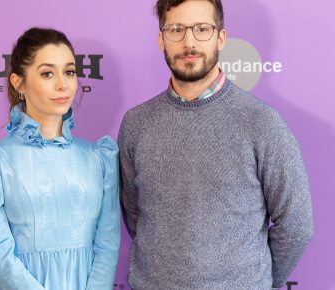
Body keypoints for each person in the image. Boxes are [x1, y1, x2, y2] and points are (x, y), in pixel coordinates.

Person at [118, 1, 313, 289]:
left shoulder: (262, 123)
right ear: (161, 39)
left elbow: (296, 225)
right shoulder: (136, 123)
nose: (189, 42)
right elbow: (135, 216)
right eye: (176, 29)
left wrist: (254, 282)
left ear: (221, 38)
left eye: (202, 29)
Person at [0, 27, 120, 290]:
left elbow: (108, 244)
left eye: (69, 71)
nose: (62, 84)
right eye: (47, 73)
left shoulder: (99, 159)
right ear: (18, 83)